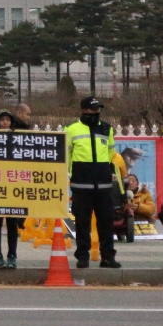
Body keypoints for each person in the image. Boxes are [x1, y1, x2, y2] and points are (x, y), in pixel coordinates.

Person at [66, 96, 120, 269]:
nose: (96, 112)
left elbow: (111, 152)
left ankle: (107, 257)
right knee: (82, 223)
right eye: (93, 109)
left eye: (98, 109)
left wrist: (106, 171)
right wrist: (69, 175)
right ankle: (82, 256)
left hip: (103, 185)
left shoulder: (106, 129)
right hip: (81, 185)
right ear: (84, 110)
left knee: (106, 223)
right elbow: (66, 156)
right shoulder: (72, 130)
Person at [0, 109, 23, 268]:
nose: (5, 122)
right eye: (2, 119)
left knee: (12, 222)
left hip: (12, 186)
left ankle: (12, 256)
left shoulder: (17, 138)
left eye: (8, 120)